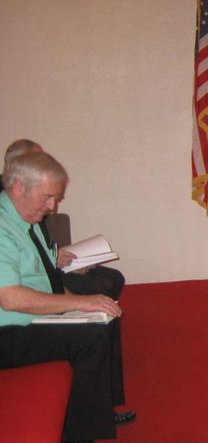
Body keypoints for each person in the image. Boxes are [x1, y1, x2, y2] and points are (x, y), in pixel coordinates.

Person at [0, 151, 130, 443]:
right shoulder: (2, 227)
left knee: (102, 318)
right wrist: (80, 303)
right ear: (19, 187)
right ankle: (79, 436)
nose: (52, 206)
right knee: (89, 339)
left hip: (27, 318)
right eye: (47, 197)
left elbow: (47, 276)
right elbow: (10, 299)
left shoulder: (25, 219)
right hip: (7, 331)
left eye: (55, 198)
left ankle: (102, 410)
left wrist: (80, 305)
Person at [2, 139, 126, 301]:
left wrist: (68, 259)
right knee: (102, 286)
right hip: (32, 277)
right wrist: (76, 302)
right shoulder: (15, 204)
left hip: (49, 263)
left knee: (114, 278)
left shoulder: (34, 206)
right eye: (38, 160)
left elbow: (43, 243)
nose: (52, 206)